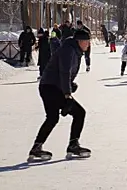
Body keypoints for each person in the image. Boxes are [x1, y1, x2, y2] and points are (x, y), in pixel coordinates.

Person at [28, 29, 91, 162]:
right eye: (86, 41)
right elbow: (64, 72)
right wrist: (67, 94)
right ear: (79, 41)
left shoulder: (74, 50)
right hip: (52, 88)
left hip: (50, 86)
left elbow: (63, 72)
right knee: (79, 113)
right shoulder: (68, 50)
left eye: (89, 41)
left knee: (52, 118)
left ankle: (37, 147)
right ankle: (73, 145)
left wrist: (69, 85)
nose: (88, 44)